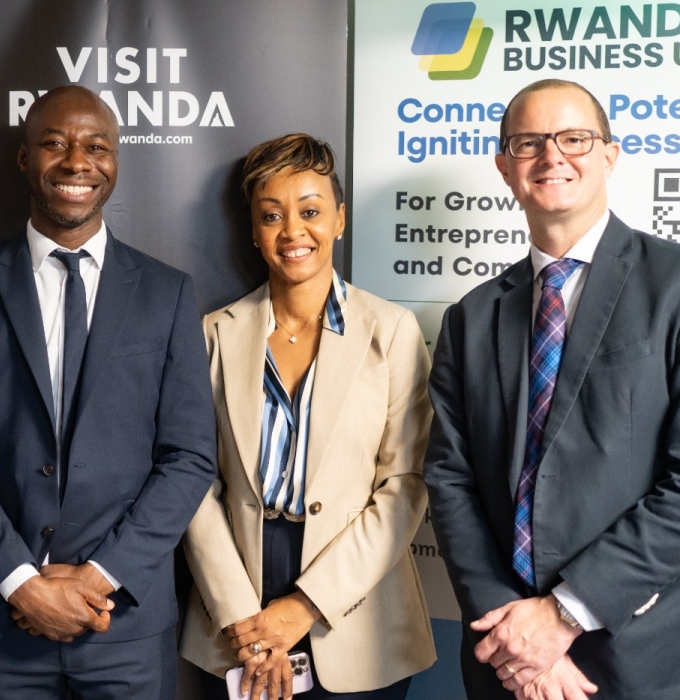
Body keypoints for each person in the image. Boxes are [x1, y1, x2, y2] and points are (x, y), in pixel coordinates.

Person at [424, 78, 680, 700]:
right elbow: (451, 479)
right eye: (528, 143)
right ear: (505, 167)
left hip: (663, 661)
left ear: (609, 155)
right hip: (514, 666)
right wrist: (516, 639)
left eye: (575, 138)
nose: (553, 156)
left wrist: (563, 614)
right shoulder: (470, 318)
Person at [0, 85, 216, 699]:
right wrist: (20, 582)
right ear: (25, 159)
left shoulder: (167, 294)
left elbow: (188, 458)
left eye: (96, 146)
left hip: (125, 625)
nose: (76, 162)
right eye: (54, 143)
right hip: (2, 622)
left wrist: (99, 578)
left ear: (114, 162)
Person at [180, 134, 436, 700]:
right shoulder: (212, 335)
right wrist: (244, 619)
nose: (293, 231)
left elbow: (404, 487)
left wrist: (304, 606)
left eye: (311, 211)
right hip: (235, 598)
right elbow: (194, 483)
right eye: (272, 216)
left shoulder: (391, 332)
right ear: (252, 231)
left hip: (358, 607)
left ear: (339, 220)